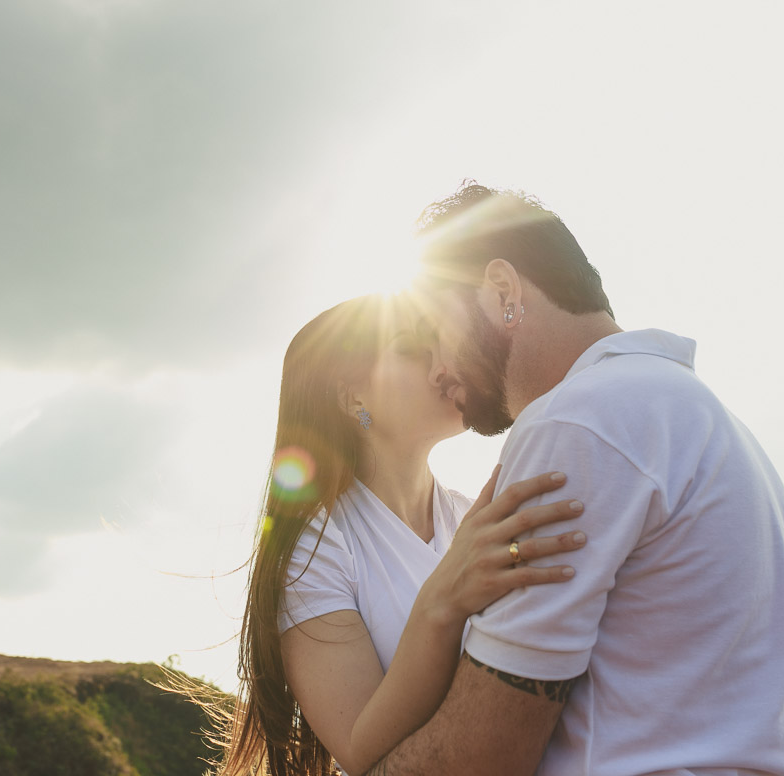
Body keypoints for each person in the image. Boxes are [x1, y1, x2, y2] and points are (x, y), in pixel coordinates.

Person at [364, 184, 784, 776]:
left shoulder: (579, 422)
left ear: (501, 291)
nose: (437, 370)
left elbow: (480, 758)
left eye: (432, 336)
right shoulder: (701, 418)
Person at [216, 293, 590, 776]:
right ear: (353, 398)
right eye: (414, 350)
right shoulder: (317, 546)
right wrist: (443, 602)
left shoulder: (473, 513)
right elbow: (357, 746)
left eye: (440, 346)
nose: (444, 366)